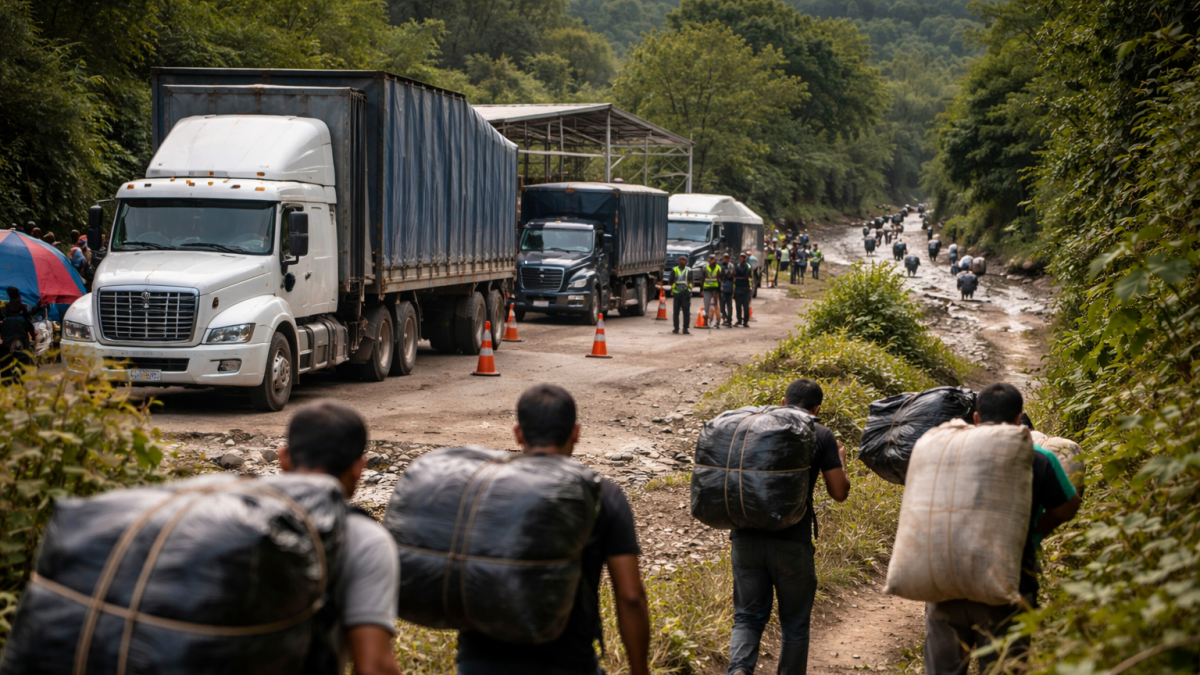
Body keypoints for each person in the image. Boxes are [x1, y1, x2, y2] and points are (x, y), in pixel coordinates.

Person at [457, 384, 650, 675]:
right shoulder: (602, 495)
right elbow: (631, 596)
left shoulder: (479, 489)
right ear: (576, 433)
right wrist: (640, 671)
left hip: (479, 662)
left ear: (518, 433)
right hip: (567, 663)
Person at [923, 384, 1079, 675]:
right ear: (1020, 419)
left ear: (977, 418)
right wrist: (1032, 531)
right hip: (1009, 586)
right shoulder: (1040, 458)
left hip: (946, 584)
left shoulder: (942, 451)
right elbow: (1067, 509)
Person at [727, 379, 850, 675]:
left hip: (745, 538)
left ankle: (739, 671)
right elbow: (839, 492)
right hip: (792, 542)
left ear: (782, 402)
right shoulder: (820, 434)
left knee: (747, 618)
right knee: (795, 623)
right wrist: (841, 460)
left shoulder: (752, 427)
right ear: (817, 409)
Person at [277, 401, 403, 675]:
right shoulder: (363, 537)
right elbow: (374, 667)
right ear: (360, 468)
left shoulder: (225, 512)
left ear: (283, 458)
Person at [1, 288, 37, 380]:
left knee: (5, 354)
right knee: (23, 354)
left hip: (8, 336)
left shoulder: (5, 308)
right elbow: (29, 323)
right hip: (21, 337)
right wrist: (33, 336)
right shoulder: (22, 308)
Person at [669, 255, 692, 335]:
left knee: (686, 312)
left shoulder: (689, 270)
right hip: (677, 293)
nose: (682, 261)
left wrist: (689, 290)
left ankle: (685, 328)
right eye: (681, 260)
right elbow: (670, 280)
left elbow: (691, 281)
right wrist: (673, 288)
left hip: (685, 294)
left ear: (686, 262)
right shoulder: (674, 269)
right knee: (676, 312)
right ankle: (676, 328)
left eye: (684, 260)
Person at [701, 254, 722, 330]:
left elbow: (720, 280)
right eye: (711, 259)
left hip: (715, 290)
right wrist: (701, 290)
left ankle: (717, 322)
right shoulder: (705, 268)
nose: (712, 260)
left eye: (713, 259)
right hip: (706, 289)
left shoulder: (718, 268)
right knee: (707, 306)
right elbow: (702, 279)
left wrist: (718, 291)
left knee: (716, 307)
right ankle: (706, 321)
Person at [732, 253, 753, 327]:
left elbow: (750, 280)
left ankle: (745, 322)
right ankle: (739, 321)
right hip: (738, 289)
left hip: (745, 290)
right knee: (738, 306)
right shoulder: (736, 267)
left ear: (745, 258)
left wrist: (750, 292)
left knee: (745, 306)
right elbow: (733, 278)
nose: (742, 259)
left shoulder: (748, 267)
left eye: (744, 257)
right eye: (741, 257)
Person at [719, 252, 735, 327]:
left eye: (727, 258)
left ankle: (729, 320)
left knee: (729, 305)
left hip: (729, 286)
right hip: (723, 286)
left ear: (729, 259)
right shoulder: (720, 266)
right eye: (725, 258)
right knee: (722, 306)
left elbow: (733, 276)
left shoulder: (731, 266)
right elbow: (719, 276)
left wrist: (733, 288)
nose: (726, 259)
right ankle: (724, 317)